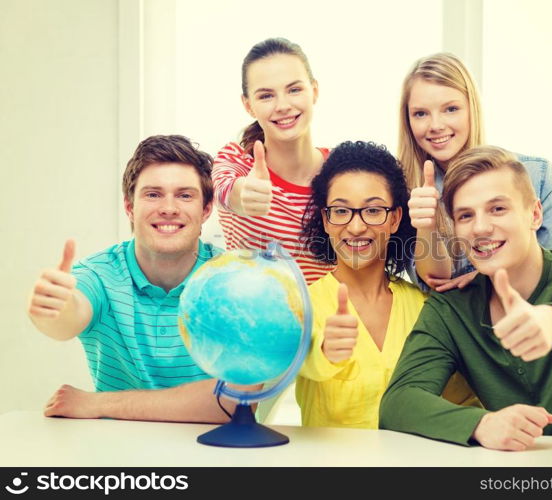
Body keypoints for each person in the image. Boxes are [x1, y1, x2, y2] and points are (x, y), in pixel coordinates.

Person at [379, 146, 552, 450]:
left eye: (498, 209)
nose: (481, 227)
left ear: (535, 214)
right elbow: (399, 402)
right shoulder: (451, 308)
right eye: (466, 215)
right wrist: (480, 424)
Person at [27, 135, 245, 423]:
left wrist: (98, 404)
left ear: (206, 210)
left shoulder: (234, 280)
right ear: (130, 207)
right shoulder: (99, 274)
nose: (169, 208)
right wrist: (53, 309)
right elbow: (68, 316)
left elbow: (233, 403)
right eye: (153, 194)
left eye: (185, 195)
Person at [296, 141, 478, 429]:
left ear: (395, 219)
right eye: (341, 211)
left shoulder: (426, 309)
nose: (356, 227)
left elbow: (463, 404)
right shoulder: (301, 306)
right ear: (326, 221)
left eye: (373, 211)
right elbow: (291, 362)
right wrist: (323, 353)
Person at [398, 53, 552, 291]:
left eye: (451, 109)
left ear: (472, 108)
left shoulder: (540, 177)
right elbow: (436, 283)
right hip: (454, 327)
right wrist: (427, 225)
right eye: (421, 113)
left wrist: (485, 279)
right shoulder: (409, 192)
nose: (436, 125)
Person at [212, 38, 334, 285]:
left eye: (294, 90)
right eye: (266, 96)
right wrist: (242, 195)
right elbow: (222, 189)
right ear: (248, 106)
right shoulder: (237, 162)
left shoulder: (341, 172)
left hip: (330, 321)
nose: (283, 106)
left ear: (315, 92)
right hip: (255, 321)